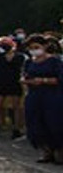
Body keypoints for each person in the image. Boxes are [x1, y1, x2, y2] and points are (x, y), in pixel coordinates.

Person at [22, 35, 63, 164]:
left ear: (44, 46)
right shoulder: (29, 62)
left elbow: (59, 79)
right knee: (35, 124)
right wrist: (26, 81)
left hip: (51, 96)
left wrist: (44, 80)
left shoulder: (55, 61)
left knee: (54, 123)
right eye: (31, 48)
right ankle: (46, 151)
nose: (34, 50)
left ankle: (59, 152)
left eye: (37, 47)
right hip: (34, 96)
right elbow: (25, 75)